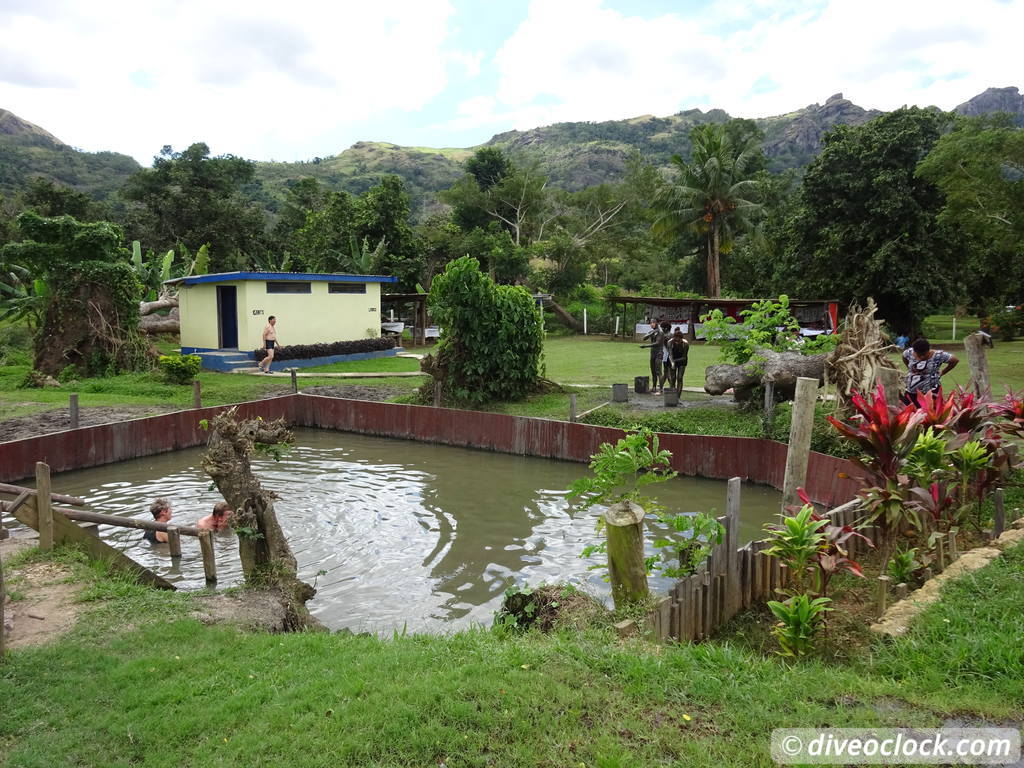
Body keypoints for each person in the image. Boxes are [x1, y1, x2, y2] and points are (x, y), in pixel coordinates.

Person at [902, 338, 958, 406]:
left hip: (931, 391)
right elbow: (904, 356)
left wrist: (942, 372)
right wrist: (910, 369)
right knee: (910, 411)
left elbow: (954, 360)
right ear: (915, 351)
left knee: (932, 412)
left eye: (924, 354)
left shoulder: (938, 355)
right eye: (919, 355)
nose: (922, 357)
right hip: (912, 390)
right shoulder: (909, 352)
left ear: (929, 350)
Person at [640, 319, 666, 394]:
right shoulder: (653, 331)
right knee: (653, 371)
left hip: (659, 353)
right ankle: (654, 387)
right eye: (651, 323)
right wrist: (651, 333)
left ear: (656, 323)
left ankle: (661, 389)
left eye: (653, 323)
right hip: (653, 353)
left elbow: (657, 343)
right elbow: (644, 338)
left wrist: (646, 346)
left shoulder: (660, 332)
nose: (651, 324)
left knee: (658, 371)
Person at [667, 327, 690, 396]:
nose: (677, 341)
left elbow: (684, 357)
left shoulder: (685, 344)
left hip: (682, 360)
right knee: (672, 378)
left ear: (681, 339)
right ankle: (672, 395)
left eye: (678, 340)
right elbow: (670, 354)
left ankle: (678, 396)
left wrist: (675, 361)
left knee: (679, 377)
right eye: (675, 340)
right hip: (672, 359)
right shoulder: (670, 342)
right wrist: (672, 363)